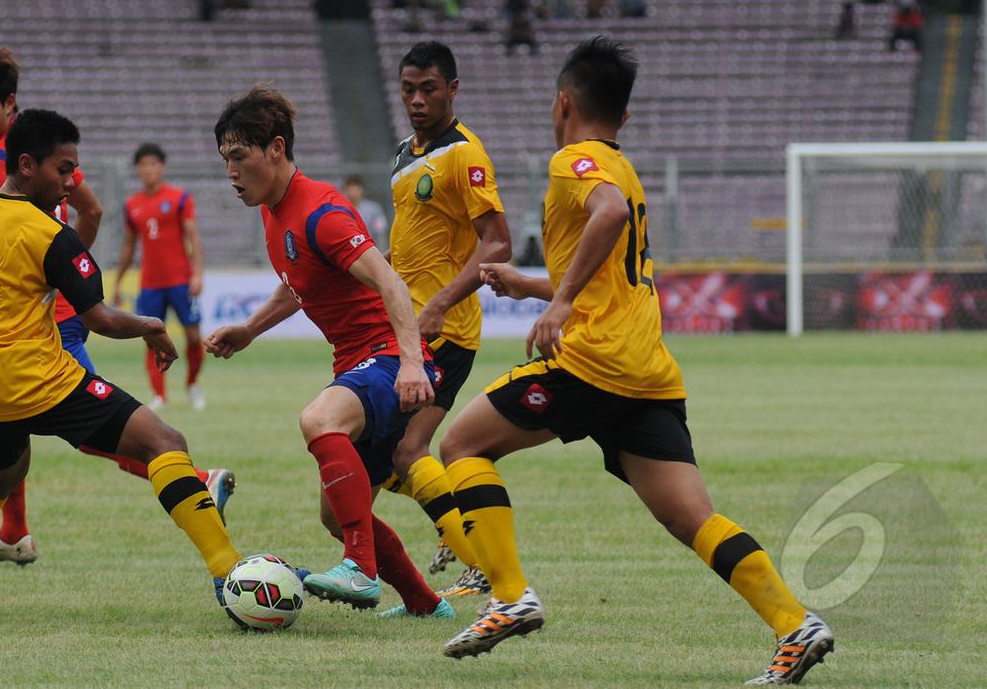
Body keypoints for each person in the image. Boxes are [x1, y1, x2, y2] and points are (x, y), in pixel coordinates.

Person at [434, 37, 834, 687]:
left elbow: (608, 217)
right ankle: (794, 625)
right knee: (689, 517)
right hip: (646, 370)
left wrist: (558, 303)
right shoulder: (620, 165)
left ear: (562, 101)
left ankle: (507, 595)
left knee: (461, 446)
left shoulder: (575, 160)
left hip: (594, 361)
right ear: (622, 116)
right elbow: (612, 264)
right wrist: (537, 285)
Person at [0, 109, 241, 613]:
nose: (70, 182)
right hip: (43, 383)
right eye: (63, 170)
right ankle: (231, 574)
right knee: (165, 442)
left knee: (2, 476)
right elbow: (100, 318)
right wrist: (151, 326)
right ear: (26, 165)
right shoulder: (49, 234)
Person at [205, 87, 451, 618]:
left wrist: (411, 363)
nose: (230, 172)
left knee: (318, 419)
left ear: (275, 148)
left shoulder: (322, 212)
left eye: (239, 156)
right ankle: (426, 606)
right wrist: (250, 329)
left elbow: (391, 284)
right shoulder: (273, 214)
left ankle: (360, 570)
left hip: (389, 358)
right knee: (337, 515)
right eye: (224, 158)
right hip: (361, 363)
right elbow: (301, 284)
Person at [383, 41, 512, 601]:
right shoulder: (405, 153)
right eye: (408, 88)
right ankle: (456, 525)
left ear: (452, 90)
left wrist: (437, 303)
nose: (416, 99)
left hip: (444, 330)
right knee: (380, 454)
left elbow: (498, 242)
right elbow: (408, 247)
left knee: (405, 453)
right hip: (405, 326)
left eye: (428, 88)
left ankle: (478, 558)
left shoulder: (465, 154)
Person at [114, 143, 208, 412]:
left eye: (153, 164)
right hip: (150, 285)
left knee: (193, 337)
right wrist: (119, 281)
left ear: (162, 167)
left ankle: (192, 383)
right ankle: (160, 395)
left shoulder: (179, 198)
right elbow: (129, 246)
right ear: (137, 170)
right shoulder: (132, 205)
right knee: (151, 339)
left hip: (181, 282)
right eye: (143, 165)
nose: (148, 169)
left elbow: (193, 237)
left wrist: (197, 274)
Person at [341, 176, 388, 248]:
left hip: (370, 247)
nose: (353, 193)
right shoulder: (341, 209)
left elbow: (380, 231)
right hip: (348, 248)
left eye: (356, 189)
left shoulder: (373, 209)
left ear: (361, 190)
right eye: (350, 190)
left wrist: (381, 251)